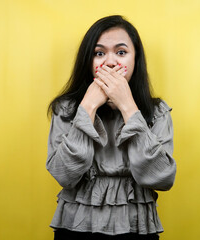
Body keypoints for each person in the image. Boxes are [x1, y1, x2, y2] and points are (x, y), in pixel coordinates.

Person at [46, 15, 176, 240]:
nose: (111, 62)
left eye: (121, 52)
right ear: (88, 61)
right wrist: (87, 107)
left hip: (136, 228)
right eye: (99, 53)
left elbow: (162, 178)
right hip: (75, 227)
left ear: (136, 59)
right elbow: (64, 175)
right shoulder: (65, 109)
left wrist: (128, 107)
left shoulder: (157, 112)